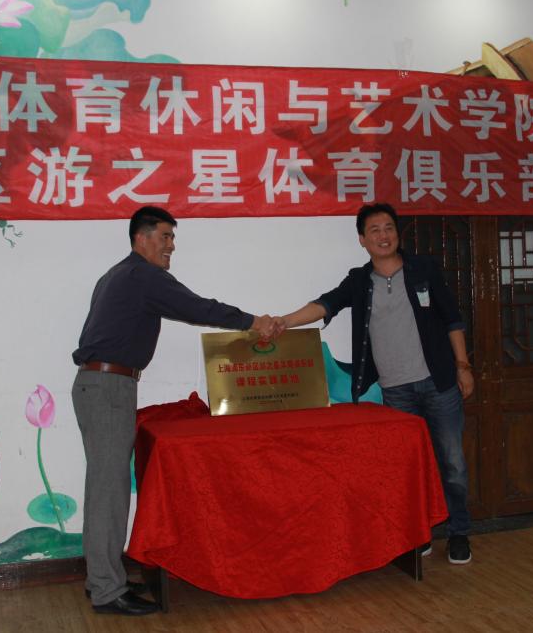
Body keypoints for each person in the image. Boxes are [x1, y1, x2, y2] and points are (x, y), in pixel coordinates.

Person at [71, 206, 277, 616]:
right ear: (141, 238)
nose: (172, 245)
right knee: (109, 491)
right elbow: (198, 307)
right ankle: (108, 591)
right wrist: (254, 321)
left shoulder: (117, 275)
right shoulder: (142, 275)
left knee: (103, 489)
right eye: (165, 236)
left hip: (101, 385)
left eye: (172, 238)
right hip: (108, 387)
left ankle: (103, 579)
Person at [275, 203, 475, 564]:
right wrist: (283, 322)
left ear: (398, 233)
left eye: (388, 228)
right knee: (407, 468)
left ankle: (459, 532)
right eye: (375, 230)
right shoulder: (358, 281)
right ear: (362, 240)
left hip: (439, 382)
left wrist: (463, 366)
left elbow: (452, 319)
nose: (383, 236)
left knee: (452, 462)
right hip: (395, 392)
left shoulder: (423, 269)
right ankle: (419, 533)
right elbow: (325, 304)